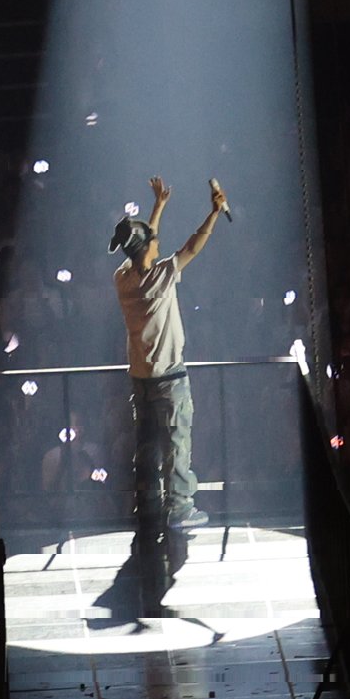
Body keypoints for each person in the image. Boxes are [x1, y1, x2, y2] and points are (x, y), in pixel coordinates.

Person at [92, 174, 228, 626]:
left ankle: (148, 504)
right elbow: (193, 245)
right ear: (148, 248)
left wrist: (159, 206)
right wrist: (214, 212)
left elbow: (145, 245)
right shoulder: (164, 275)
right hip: (168, 377)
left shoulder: (122, 279)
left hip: (141, 378)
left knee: (147, 444)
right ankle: (181, 508)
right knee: (176, 443)